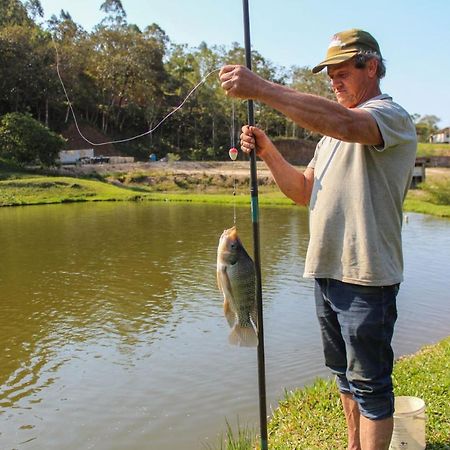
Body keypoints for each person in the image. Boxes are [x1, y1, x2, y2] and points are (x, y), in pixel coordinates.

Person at [219, 29, 417, 450]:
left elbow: (347, 122)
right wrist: (268, 151)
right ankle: (353, 444)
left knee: (371, 384)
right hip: (326, 272)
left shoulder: (387, 116)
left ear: (373, 67)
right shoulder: (330, 137)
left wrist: (262, 89)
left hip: (367, 277)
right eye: (330, 75)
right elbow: (303, 191)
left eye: (343, 72)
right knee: (344, 375)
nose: (334, 82)